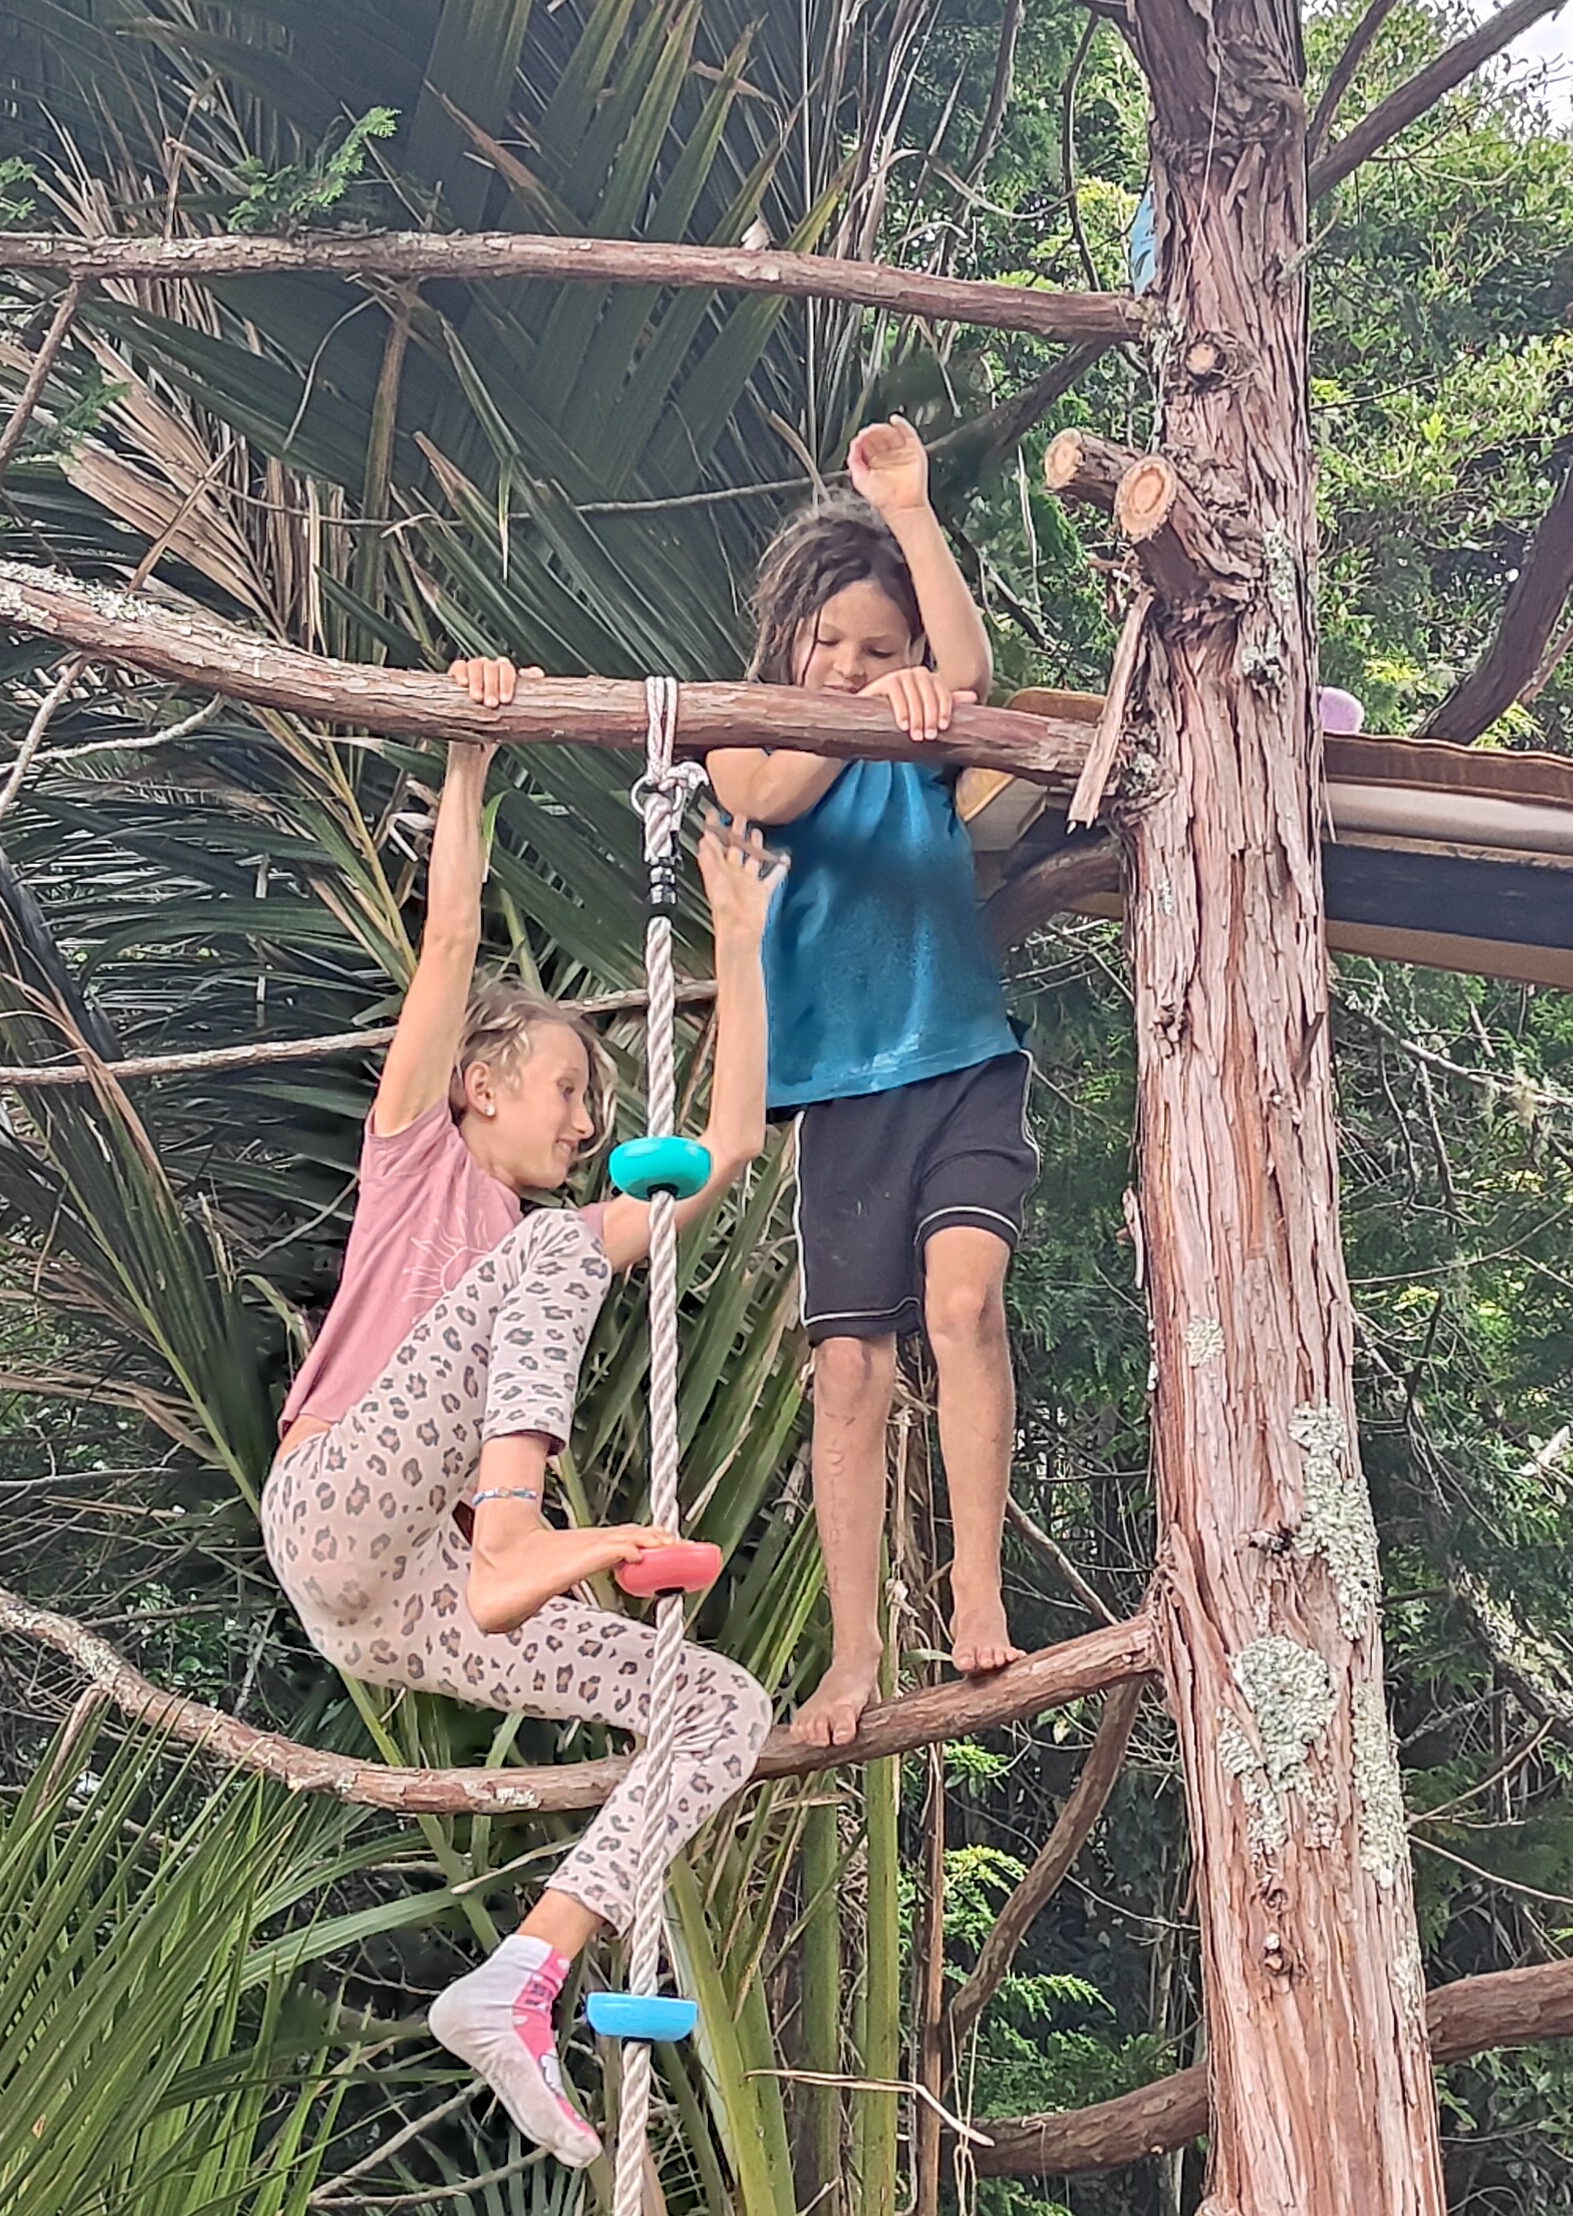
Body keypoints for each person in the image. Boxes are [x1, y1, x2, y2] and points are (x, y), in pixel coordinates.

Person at [261, 658, 783, 2167]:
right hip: (337, 1508)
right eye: (563, 1088)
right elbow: (449, 937)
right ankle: (518, 1533)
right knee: (552, 1248)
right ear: (481, 1085)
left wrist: (739, 947)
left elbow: (729, 1146)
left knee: (718, 1706)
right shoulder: (419, 1154)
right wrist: (474, 758)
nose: (582, 1120)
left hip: (400, 1608)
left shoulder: (550, 1241)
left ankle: (527, 1974)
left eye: (594, 1107)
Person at [705, 416, 1037, 1752]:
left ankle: (974, 1581)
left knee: (961, 1308)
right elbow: (775, 792)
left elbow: (968, 666)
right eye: (827, 643)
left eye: (876, 650)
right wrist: (857, 708)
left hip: (959, 1060)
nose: (852, 666)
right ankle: (852, 1654)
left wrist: (907, 516)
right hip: (841, 1092)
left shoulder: (923, 739)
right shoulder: (746, 737)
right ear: (785, 639)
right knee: (849, 1369)